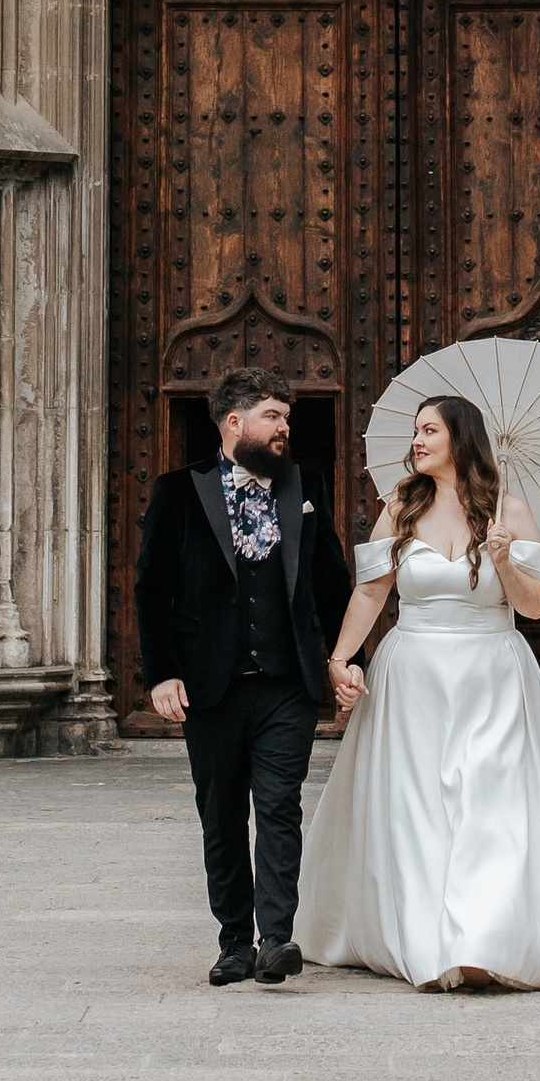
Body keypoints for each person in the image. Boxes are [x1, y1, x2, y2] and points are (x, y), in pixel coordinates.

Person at [296, 390, 540, 991]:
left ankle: (485, 939)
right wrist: (338, 659)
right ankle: (424, 936)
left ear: (459, 439)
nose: (417, 441)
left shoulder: (509, 512)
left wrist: (505, 560)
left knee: (490, 806)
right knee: (415, 810)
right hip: (411, 674)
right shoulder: (398, 509)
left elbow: (535, 607)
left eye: (429, 431)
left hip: (492, 672)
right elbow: (370, 593)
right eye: (416, 431)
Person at [136, 365, 355, 986]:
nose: (286, 426)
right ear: (234, 422)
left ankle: (276, 938)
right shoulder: (179, 491)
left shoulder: (305, 486)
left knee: (281, 806)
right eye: (273, 416)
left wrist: (346, 655)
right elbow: (153, 591)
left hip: (288, 681)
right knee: (222, 815)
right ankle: (233, 943)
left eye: (286, 417)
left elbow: (332, 582)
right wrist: (160, 675)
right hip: (211, 683)